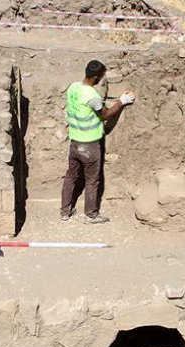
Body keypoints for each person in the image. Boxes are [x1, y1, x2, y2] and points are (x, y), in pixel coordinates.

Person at [60, 60, 136, 224]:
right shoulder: (92, 96)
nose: (102, 79)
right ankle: (91, 215)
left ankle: (65, 212)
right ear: (96, 77)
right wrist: (121, 102)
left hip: (74, 142)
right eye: (101, 76)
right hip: (89, 145)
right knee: (92, 180)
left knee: (71, 176)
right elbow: (105, 115)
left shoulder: (73, 87)